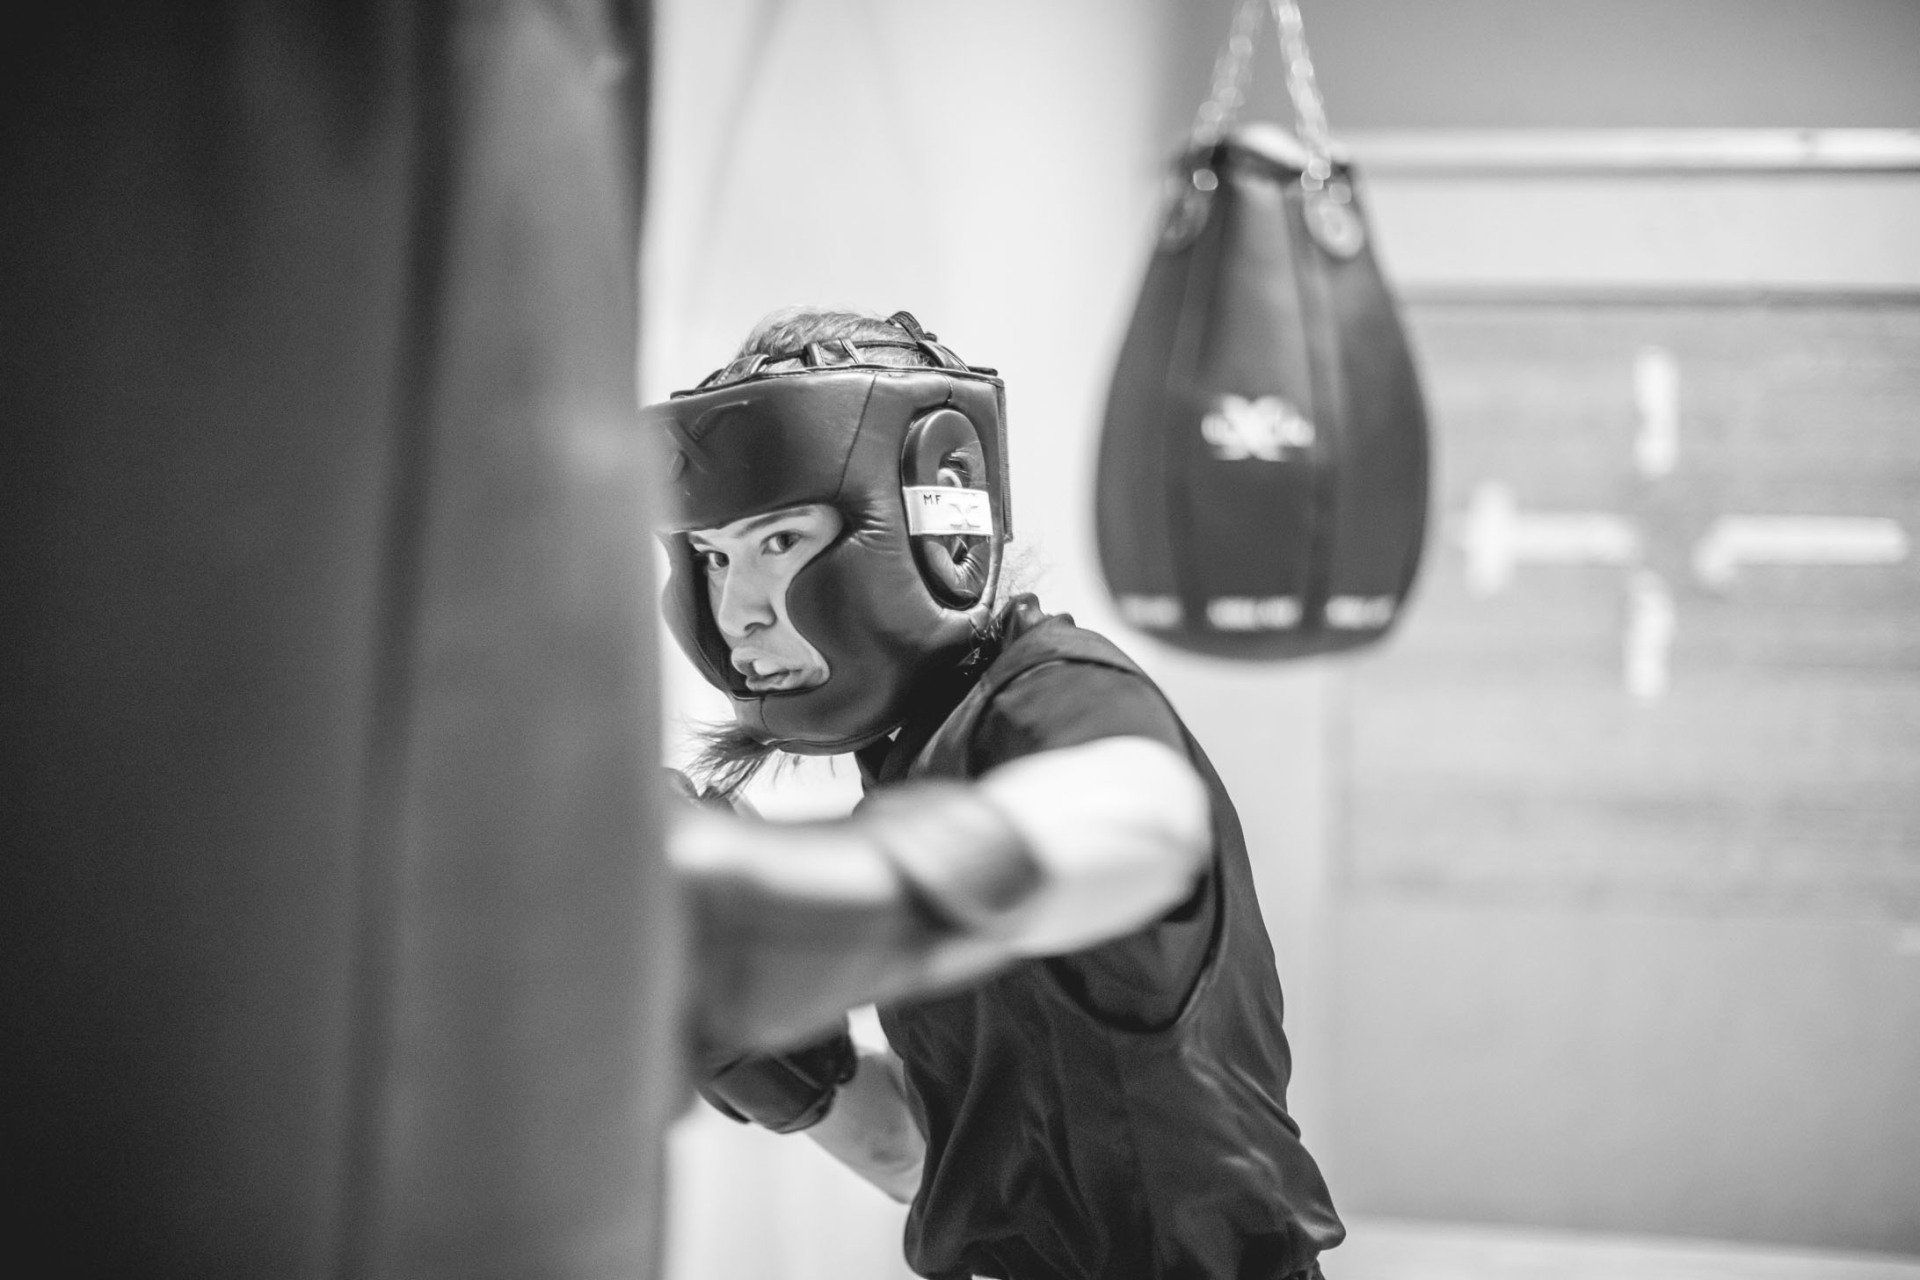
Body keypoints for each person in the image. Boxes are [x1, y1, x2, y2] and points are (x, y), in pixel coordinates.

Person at [645, 307, 1346, 1280]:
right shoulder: (918, 760)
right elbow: (913, 1158)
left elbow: (1144, 822)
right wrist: (759, 1050)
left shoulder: (1060, 693)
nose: (739, 607)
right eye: (716, 556)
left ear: (934, 529)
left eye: (779, 541)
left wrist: (816, 898)